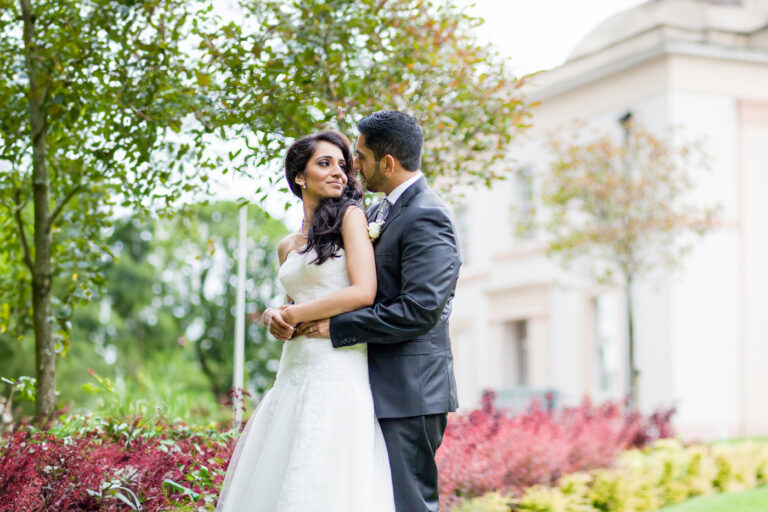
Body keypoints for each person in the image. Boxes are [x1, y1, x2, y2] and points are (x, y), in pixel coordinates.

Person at [289, 111, 462, 512]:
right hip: (367, 384)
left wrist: (338, 327)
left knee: (408, 504)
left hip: (409, 391)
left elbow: (420, 310)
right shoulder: (376, 212)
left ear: (388, 163)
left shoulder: (427, 215)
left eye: (361, 158)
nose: (353, 169)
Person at [216, 131, 395, 512]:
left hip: (337, 365)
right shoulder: (287, 245)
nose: (339, 174)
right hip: (294, 369)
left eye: (343, 166)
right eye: (325, 163)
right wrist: (273, 315)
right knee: (283, 469)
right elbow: (290, 304)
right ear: (300, 176)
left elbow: (364, 291)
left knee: (324, 470)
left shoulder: (351, 218)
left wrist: (294, 314)